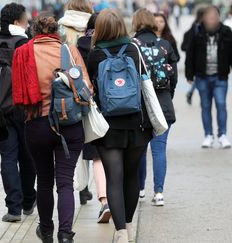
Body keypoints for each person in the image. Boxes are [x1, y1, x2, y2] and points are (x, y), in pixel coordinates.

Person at [12, 13, 92, 243]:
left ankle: (46, 230)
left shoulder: (23, 52)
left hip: (37, 124)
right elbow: (87, 88)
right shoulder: (70, 51)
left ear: (35, 32)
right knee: (65, 182)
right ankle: (65, 234)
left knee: (44, 181)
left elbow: (17, 94)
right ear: (56, 33)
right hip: (69, 125)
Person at [87, 9, 153, 242]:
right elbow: (146, 81)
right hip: (137, 123)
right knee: (132, 175)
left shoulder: (95, 55)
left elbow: (90, 89)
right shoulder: (134, 49)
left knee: (114, 177)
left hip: (108, 126)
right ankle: (129, 224)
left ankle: (121, 233)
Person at [0, 3, 37, 223]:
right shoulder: (26, 44)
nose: (28, 23)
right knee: (28, 157)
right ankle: (28, 200)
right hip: (24, 110)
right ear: (17, 22)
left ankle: (13, 208)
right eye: (25, 20)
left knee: (8, 158)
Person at [134, 9, 178, 206]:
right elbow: (174, 77)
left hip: (141, 106)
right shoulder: (165, 45)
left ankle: (140, 188)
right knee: (159, 150)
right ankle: (159, 192)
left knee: (141, 149)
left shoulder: (132, 46)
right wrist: (168, 96)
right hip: (163, 103)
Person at [185, 5, 232, 149]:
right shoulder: (197, 31)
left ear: (218, 17)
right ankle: (208, 135)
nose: (212, 20)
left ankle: (222, 135)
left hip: (220, 77)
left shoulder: (226, 32)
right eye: (209, 17)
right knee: (205, 106)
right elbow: (190, 54)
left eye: (215, 17)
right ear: (204, 18)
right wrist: (189, 74)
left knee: (221, 104)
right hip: (202, 77)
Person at [58, 0, 94, 204]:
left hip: (65, 90)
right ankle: (85, 186)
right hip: (87, 90)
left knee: (72, 142)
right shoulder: (92, 27)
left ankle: (79, 184)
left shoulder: (62, 27)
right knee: (88, 138)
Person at [77, 13, 111, 224]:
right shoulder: (115, 45)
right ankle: (117, 201)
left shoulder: (78, 47)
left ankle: (105, 200)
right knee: (114, 154)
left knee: (97, 156)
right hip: (116, 106)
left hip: (90, 108)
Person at [182, 7, 205, 105]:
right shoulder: (196, 27)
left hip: (196, 59)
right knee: (200, 79)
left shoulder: (194, 26)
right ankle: (201, 97)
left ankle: (191, 94)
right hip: (197, 59)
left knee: (199, 79)